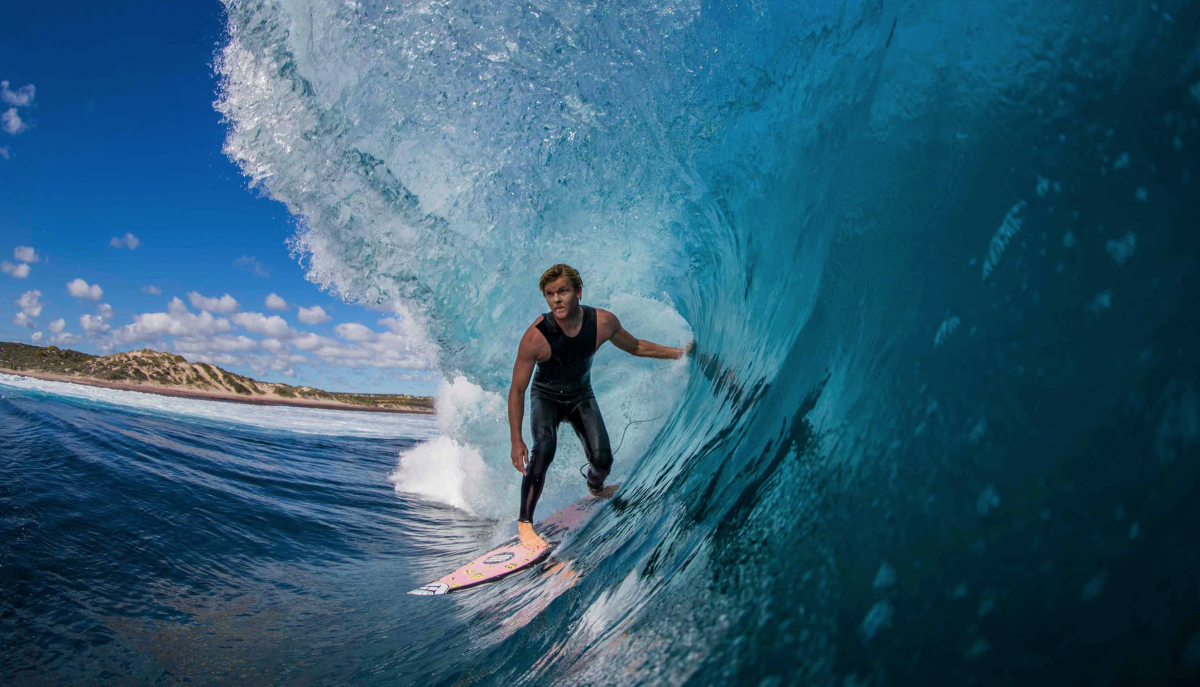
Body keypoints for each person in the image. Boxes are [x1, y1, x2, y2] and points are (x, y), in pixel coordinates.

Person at [508, 264, 688, 551]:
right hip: (547, 399)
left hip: (581, 396)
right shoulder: (536, 336)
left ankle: (595, 489)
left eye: (563, 291)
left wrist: (679, 354)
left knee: (603, 459)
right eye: (550, 294)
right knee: (545, 447)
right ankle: (525, 524)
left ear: (578, 292)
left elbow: (637, 347)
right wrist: (516, 439)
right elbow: (518, 390)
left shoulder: (602, 323)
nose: (556, 299)